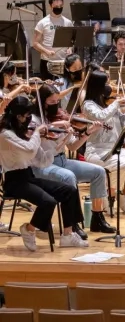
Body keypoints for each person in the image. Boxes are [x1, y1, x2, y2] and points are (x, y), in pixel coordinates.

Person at [0, 96, 88, 251]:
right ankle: (29, 229)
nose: (26, 120)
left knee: (70, 190)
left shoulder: (23, 134)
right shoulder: (6, 134)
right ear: (15, 115)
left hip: (29, 176)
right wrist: (37, 134)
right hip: (14, 181)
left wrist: (62, 140)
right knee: (48, 202)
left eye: (27, 116)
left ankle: (68, 234)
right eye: (24, 116)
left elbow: (42, 160)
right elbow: (28, 150)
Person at [30, 84, 114, 236]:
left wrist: (88, 132)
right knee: (69, 177)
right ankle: (73, 223)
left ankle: (97, 217)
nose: (56, 106)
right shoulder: (34, 121)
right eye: (51, 102)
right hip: (43, 165)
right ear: (41, 102)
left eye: (57, 101)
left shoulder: (61, 117)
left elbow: (74, 147)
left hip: (63, 161)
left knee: (99, 172)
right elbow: (37, 145)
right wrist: (55, 127)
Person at [81, 70, 125, 214]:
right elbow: (101, 117)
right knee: (122, 164)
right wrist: (116, 104)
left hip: (114, 148)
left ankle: (123, 194)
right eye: (106, 83)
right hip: (96, 150)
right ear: (98, 86)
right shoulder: (88, 105)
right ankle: (109, 197)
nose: (110, 86)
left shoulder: (110, 104)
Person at [33, 0, 72, 80]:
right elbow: (35, 43)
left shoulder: (68, 22)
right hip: (47, 62)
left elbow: (71, 41)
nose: (59, 8)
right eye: (56, 7)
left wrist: (70, 48)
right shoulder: (42, 23)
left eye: (60, 6)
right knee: (48, 90)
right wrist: (46, 51)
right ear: (50, 6)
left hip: (63, 62)